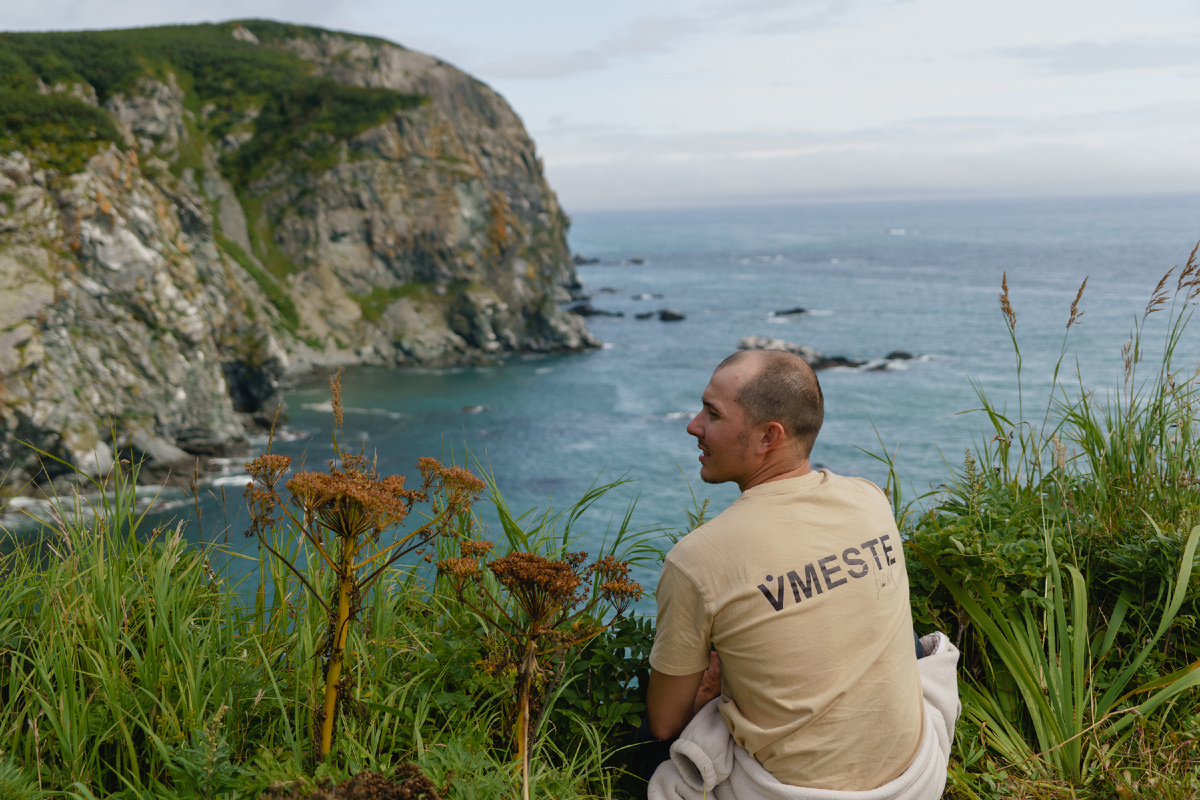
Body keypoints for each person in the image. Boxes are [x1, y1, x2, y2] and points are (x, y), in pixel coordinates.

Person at [644, 348, 933, 794]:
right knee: (905, 640)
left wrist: (711, 687)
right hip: (917, 781)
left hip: (793, 792)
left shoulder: (698, 559)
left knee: (667, 743)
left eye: (712, 414)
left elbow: (665, 723)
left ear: (767, 437)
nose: (693, 425)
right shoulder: (870, 497)